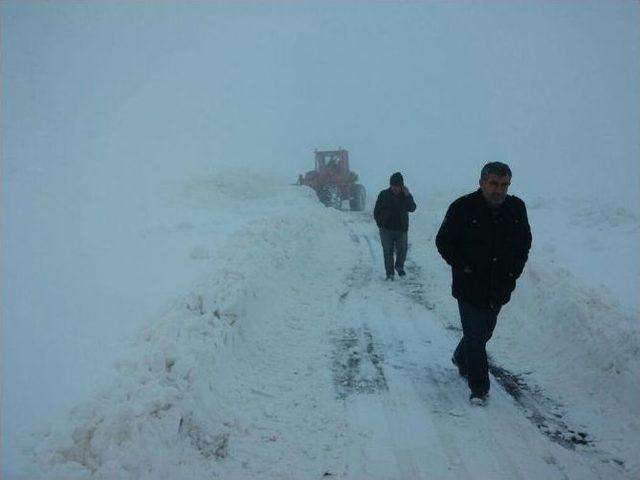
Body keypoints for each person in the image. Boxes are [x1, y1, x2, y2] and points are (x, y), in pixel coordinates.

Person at [435, 162, 532, 405]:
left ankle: (460, 356)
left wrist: (513, 274)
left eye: (504, 185)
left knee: (483, 332)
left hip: (499, 286)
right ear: (481, 183)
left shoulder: (516, 209)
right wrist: (463, 266)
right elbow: (443, 241)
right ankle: (479, 388)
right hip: (469, 286)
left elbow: (524, 244)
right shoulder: (462, 207)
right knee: (476, 337)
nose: (499, 190)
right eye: (493, 184)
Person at [374, 172, 417, 280]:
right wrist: (380, 224)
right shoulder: (383, 195)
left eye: (398, 186)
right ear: (390, 185)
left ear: (401, 186)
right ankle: (390, 273)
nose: (395, 188)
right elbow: (376, 211)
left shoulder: (405, 195)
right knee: (387, 252)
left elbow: (412, 208)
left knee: (402, 250)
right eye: (393, 186)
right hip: (386, 230)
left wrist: (408, 195)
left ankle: (399, 266)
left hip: (401, 230)